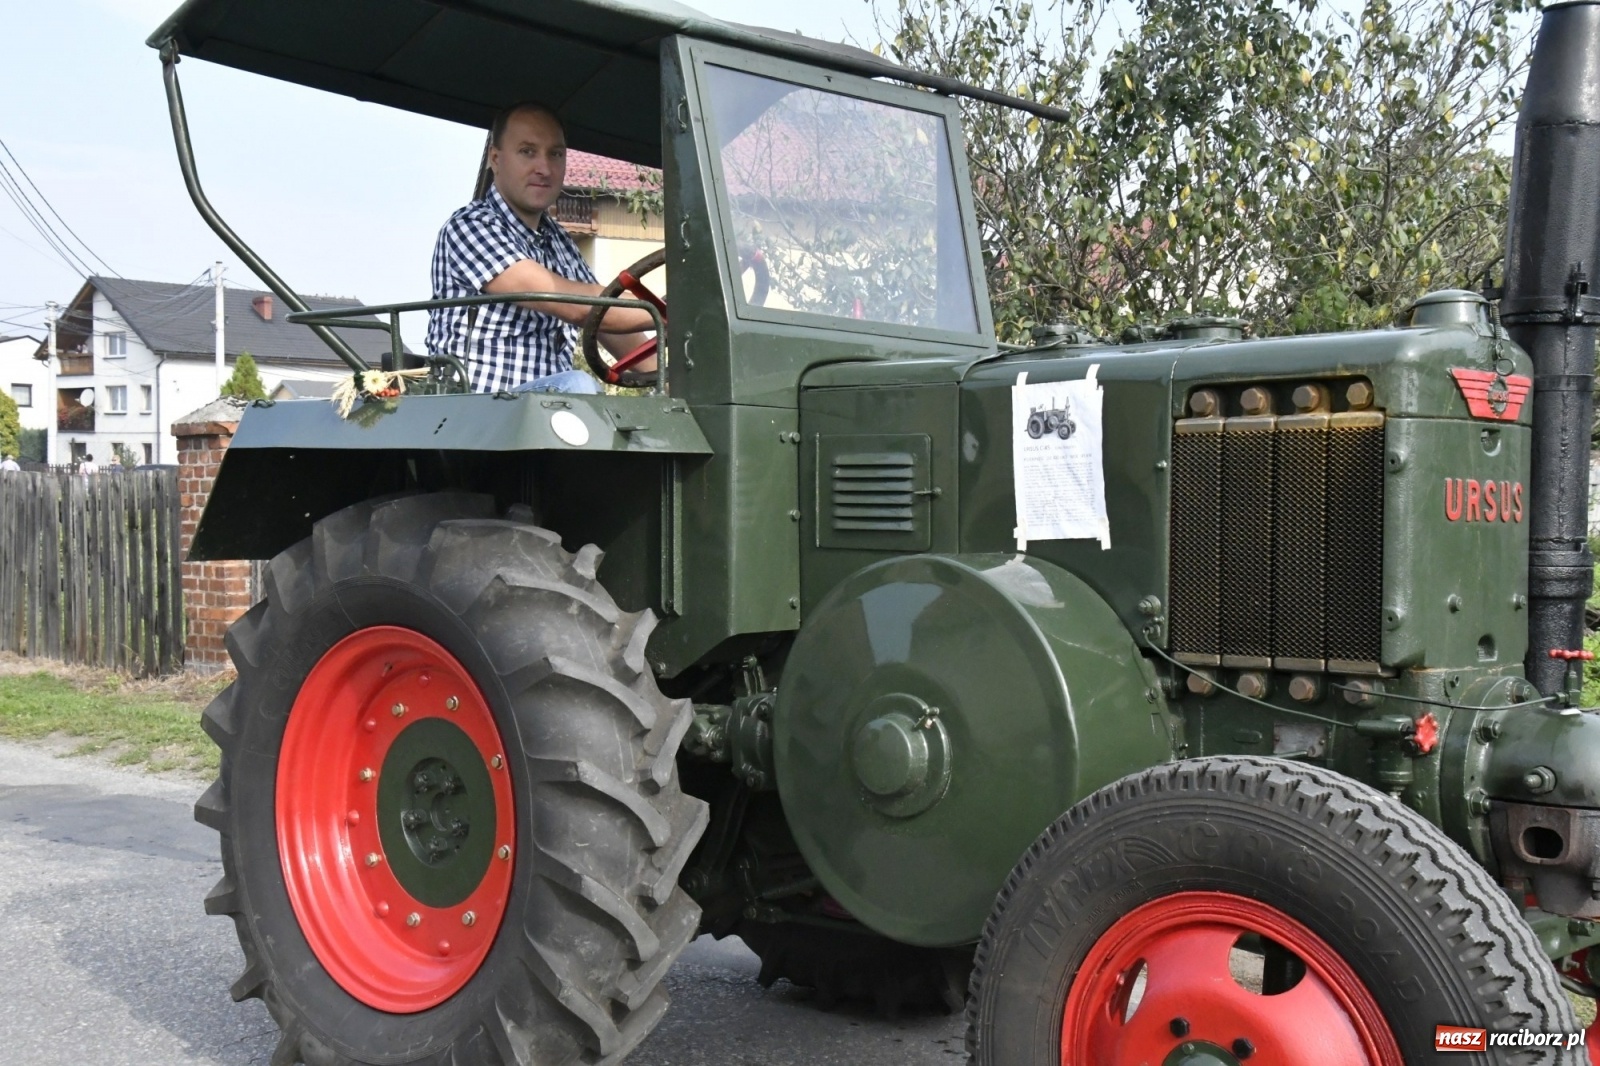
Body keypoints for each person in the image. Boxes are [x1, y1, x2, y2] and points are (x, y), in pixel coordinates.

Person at [426, 102, 655, 394]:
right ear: (495, 159)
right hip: (476, 409)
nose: (544, 169)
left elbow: (603, 319)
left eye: (555, 154)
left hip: (544, 409)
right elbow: (575, 306)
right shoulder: (471, 227)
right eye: (527, 152)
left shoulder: (559, 240)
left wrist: (672, 375)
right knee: (579, 385)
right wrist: (665, 310)